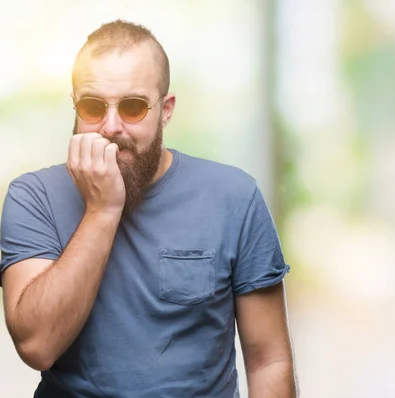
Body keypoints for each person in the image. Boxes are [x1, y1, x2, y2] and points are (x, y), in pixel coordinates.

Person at [0, 19, 297, 398]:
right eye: (92, 106)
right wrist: (101, 210)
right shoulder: (33, 196)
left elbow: (268, 359)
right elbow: (37, 346)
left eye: (133, 106)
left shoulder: (234, 197)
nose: (110, 126)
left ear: (166, 109)